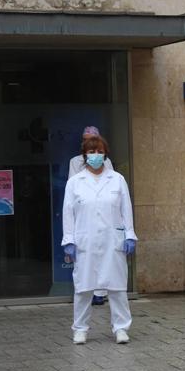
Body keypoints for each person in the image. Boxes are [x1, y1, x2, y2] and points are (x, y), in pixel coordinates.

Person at [62, 136, 137, 344]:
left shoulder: (117, 179)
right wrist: (68, 239)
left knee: (117, 288)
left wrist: (130, 235)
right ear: (85, 155)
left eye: (99, 151)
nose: (96, 155)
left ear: (105, 154)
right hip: (84, 241)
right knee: (83, 288)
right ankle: (80, 329)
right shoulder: (75, 182)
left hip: (113, 240)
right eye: (91, 152)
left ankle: (121, 328)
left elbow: (126, 210)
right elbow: (68, 212)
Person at [68, 126, 114, 306]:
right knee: (85, 259)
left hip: (103, 214)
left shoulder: (107, 162)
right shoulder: (75, 162)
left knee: (103, 256)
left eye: (93, 139)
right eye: (86, 140)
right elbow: (72, 187)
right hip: (84, 213)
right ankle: (85, 292)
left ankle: (100, 292)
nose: (90, 144)